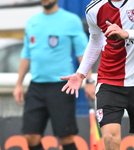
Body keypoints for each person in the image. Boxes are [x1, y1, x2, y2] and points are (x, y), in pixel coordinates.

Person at [61, 0, 134, 150]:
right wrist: (80, 74)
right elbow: (95, 42)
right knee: (109, 137)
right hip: (109, 82)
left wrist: (125, 33)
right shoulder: (94, 8)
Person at [13, 0, 96, 150]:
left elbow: (83, 53)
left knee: (66, 138)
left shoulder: (71, 20)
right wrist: (18, 84)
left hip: (61, 88)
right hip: (36, 87)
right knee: (30, 136)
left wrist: (89, 80)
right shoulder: (32, 21)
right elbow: (26, 54)